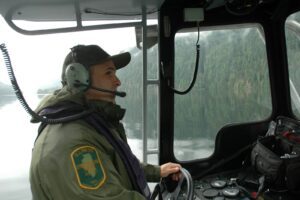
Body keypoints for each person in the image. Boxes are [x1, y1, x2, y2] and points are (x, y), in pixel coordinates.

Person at [30, 44, 181, 200]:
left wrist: (157, 172)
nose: (117, 81)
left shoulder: (89, 123)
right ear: (80, 79)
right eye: (109, 73)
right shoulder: (75, 143)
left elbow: (119, 164)